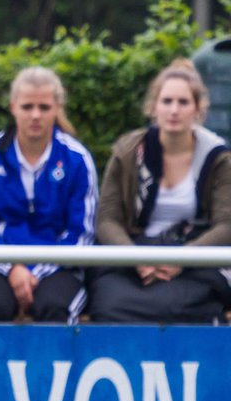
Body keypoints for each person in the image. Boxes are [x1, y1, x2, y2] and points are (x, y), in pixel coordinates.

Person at [90, 60, 231, 322]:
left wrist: (182, 260)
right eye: (167, 101)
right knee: (110, 304)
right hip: (133, 254)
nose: (174, 110)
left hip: (194, 255)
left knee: (188, 307)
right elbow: (107, 220)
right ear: (153, 107)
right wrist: (136, 259)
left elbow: (226, 226)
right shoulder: (127, 152)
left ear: (198, 109)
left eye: (183, 102)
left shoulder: (218, 158)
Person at [0, 66, 98, 323]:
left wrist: (37, 271)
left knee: (55, 307)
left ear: (57, 108)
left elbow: (81, 233)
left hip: (60, 267)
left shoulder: (77, 159)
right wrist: (13, 268)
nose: (35, 115)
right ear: (13, 106)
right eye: (27, 107)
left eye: (44, 107)